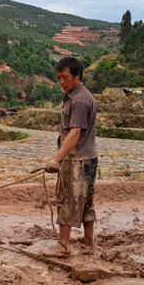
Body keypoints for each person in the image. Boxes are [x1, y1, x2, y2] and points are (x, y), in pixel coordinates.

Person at [43, 57, 98, 258]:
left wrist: (57, 159)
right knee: (86, 201)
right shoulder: (79, 95)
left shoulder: (79, 101)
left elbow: (74, 133)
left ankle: (64, 245)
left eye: (65, 77)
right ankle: (89, 241)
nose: (61, 82)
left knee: (66, 199)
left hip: (76, 160)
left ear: (77, 76)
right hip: (88, 158)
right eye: (58, 78)